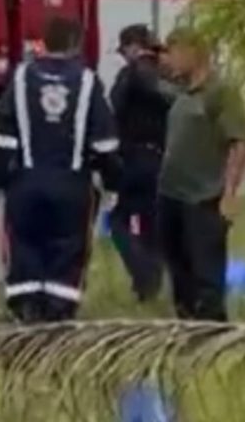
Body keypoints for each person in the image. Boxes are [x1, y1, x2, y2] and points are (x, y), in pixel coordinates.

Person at [0, 17, 121, 323]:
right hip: (72, 186)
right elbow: (105, 143)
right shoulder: (87, 81)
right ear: (75, 44)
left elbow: (3, 138)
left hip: (25, 184)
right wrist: (112, 182)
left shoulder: (20, 78)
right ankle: (58, 322)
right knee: (69, 251)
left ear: (43, 43)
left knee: (24, 246)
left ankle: (26, 318)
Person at [158, 28, 245, 322]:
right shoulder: (182, 91)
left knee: (206, 272)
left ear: (193, 52)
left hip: (203, 197)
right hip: (171, 194)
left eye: (173, 52)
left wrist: (229, 193)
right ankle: (187, 327)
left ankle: (211, 333)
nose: (168, 59)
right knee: (178, 268)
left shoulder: (219, 92)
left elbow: (240, 143)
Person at [108, 24, 179, 302]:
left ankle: (144, 273)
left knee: (118, 222)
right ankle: (149, 282)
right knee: (151, 223)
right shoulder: (170, 74)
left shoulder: (131, 74)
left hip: (135, 160)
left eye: (124, 50)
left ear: (133, 47)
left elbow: (114, 110)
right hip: (163, 159)